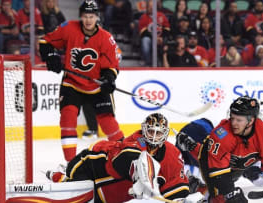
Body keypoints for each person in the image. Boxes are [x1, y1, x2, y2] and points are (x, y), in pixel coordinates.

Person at [39, 0, 124, 162]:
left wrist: (108, 79)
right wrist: (50, 56)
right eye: (85, 16)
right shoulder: (69, 28)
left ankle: (125, 154)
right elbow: (45, 42)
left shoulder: (106, 38)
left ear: (97, 17)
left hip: (96, 87)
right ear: (81, 16)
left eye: (91, 16)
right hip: (72, 83)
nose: (88, 20)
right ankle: (71, 163)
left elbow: (112, 66)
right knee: (67, 117)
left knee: (108, 123)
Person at [46, 113, 190, 202]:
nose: (153, 136)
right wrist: (138, 175)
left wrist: (181, 198)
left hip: (111, 194)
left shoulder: (173, 154)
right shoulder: (137, 140)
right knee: (74, 183)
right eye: (151, 131)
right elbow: (121, 160)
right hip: (93, 165)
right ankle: (63, 176)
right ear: (144, 129)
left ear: (165, 134)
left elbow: (177, 183)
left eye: (158, 133)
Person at [177, 96, 263, 203]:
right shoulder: (223, 134)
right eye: (232, 117)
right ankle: (198, 186)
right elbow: (214, 165)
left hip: (231, 162)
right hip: (213, 155)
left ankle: (196, 184)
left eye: (238, 120)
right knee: (221, 198)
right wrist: (230, 193)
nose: (233, 123)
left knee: (231, 178)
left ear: (251, 121)